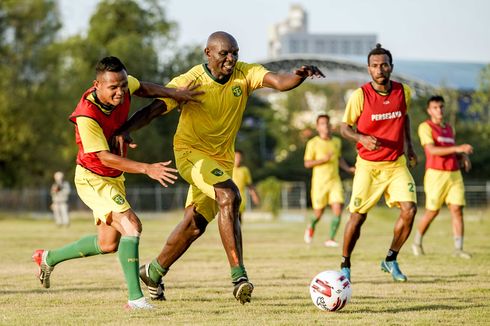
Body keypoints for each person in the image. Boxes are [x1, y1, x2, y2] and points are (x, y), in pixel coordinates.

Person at [134, 31, 324, 305]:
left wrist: (299, 76)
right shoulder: (190, 81)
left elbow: (278, 82)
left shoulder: (244, 74)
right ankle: (239, 277)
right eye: (224, 53)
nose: (231, 58)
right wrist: (124, 132)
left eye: (235, 52)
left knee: (194, 225)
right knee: (229, 196)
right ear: (207, 53)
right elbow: (152, 110)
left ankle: (153, 272)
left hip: (220, 162)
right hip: (191, 154)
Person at [32, 56, 202, 310]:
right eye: (113, 87)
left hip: (111, 178)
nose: (120, 92)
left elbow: (142, 87)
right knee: (131, 226)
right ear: (97, 85)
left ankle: (48, 258)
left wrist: (174, 93)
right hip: (93, 178)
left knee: (108, 244)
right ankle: (135, 299)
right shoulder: (86, 115)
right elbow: (104, 157)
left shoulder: (123, 85)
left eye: (122, 85)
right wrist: (146, 168)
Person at [339, 44, 418, 283]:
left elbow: (404, 117)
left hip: (396, 164)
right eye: (375, 66)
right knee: (357, 217)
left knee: (410, 210)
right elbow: (344, 128)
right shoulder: (360, 95)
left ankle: (391, 259)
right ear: (368, 69)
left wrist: (410, 146)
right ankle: (345, 264)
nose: (380, 69)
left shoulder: (403, 91)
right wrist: (361, 137)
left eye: (384, 65)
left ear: (391, 67)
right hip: (368, 165)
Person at [412, 95, 473, 259]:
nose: (439, 110)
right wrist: (458, 149)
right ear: (429, 110)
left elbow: (451, 149)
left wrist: (463, 157)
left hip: (454, 174)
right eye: (435, 107)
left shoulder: (449, 128)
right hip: (435, 174)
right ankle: (417, 242)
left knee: (457, 210)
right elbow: (432, 150)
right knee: (432, 212)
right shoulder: (425, 127)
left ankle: (458, 249)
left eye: (441, 107)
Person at [303, 114, 355, 247]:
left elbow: (339, 158)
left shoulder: (336, 141)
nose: (325, 126)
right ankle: (311, 226)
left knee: (338, 208)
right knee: (318, 214)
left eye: (327, 123)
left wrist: (348, 169)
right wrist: (323, 160)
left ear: (330, 126)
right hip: (319, 183)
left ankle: (330, 239)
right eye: (322, 124)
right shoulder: (312, 143)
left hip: (334, 181)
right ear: (318, 127)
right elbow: (307, 163)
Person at [232, 150, 260, 222]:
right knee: (230, 217)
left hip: (241, 197)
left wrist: (254, 196)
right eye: (236, 157)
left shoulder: (245, 170)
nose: (237, 159)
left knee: (238, 218)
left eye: (239, 157)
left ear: (241, 158)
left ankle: (237, 233)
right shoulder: (228, 168)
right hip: (229, 196)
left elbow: (249, 185)